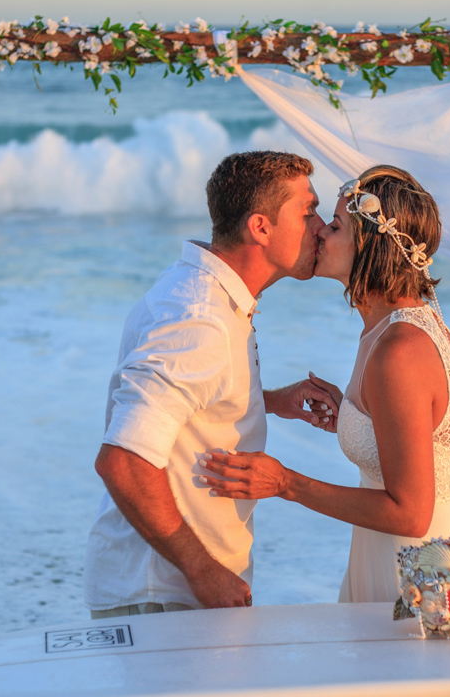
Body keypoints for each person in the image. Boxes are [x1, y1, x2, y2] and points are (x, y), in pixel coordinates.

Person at [201, 165, 450, 603]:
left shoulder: (399, 350)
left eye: (334, 226)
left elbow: (411, 515)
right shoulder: (413, 323)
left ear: (369, 245)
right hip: (392, 558)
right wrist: (366, 419)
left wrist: (285, 483)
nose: (319, 232)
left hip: (417, 581)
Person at [85, 150, 341, 618]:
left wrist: (263, 401)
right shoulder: (199, 318)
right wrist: (201, 570)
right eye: (308, 212)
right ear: (260, 228)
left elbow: (191, 397)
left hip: (168, 590)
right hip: (165, 596)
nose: (322, 228)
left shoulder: (204, 292)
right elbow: (123, 460)